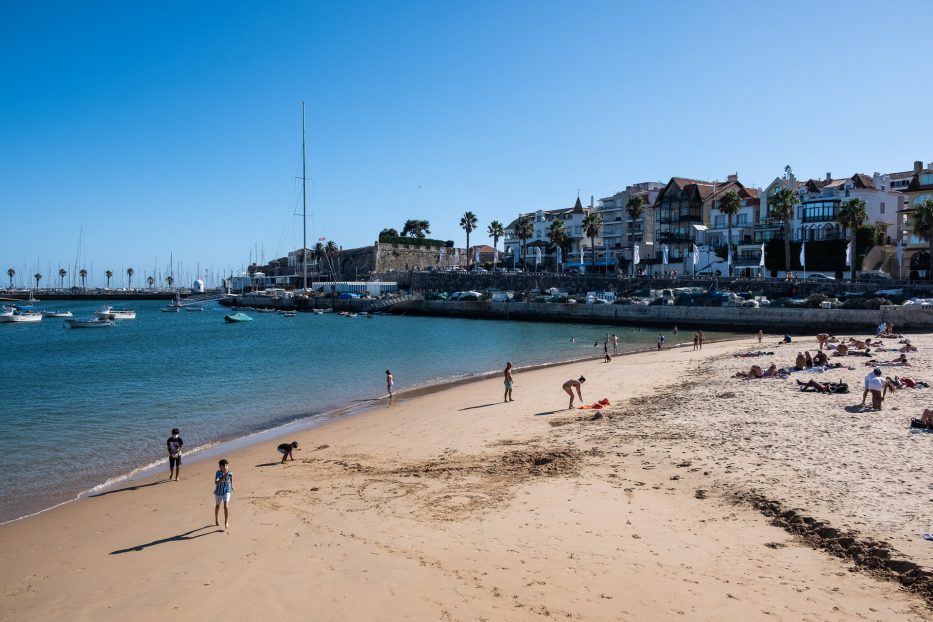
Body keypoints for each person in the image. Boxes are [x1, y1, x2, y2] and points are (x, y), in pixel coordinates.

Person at [214, 459, 235, 531]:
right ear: (220, 467)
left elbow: (231, 478)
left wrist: (232, 485)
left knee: (226, 506)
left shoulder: (230, 472)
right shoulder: (218, 473)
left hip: (227, 491)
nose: (225, 467)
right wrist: (223, 477)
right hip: (219, 492)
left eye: (226, 465)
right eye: (223, 466)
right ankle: (216, 519)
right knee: (217, 506)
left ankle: (226, 522)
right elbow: (216, 483)